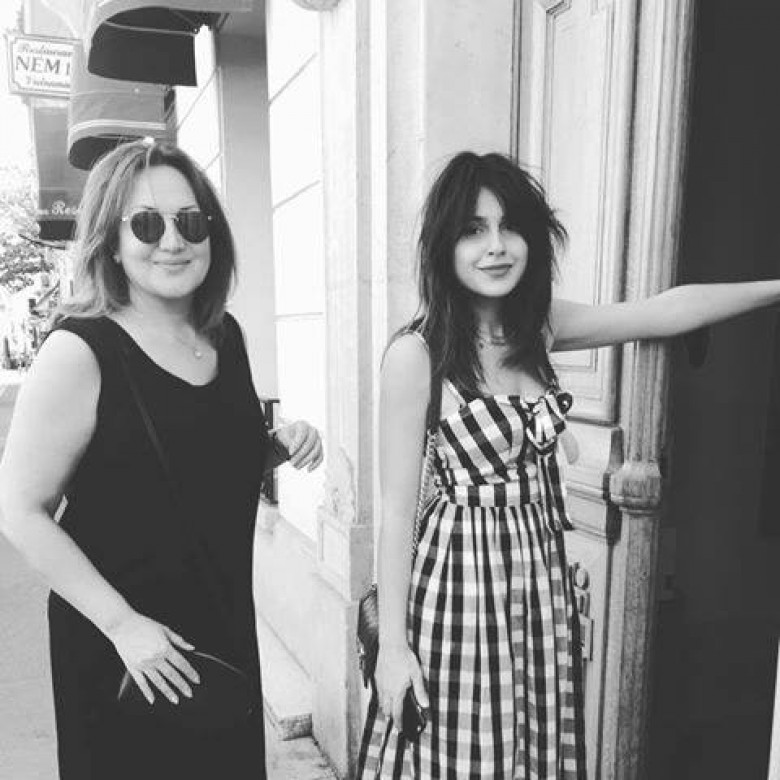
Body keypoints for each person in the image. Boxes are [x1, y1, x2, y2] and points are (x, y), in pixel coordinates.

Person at [357, 150, 780, 779]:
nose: (496, 246)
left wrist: (775, 289)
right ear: (444, 246)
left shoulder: (539, 329)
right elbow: (395, 512)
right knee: (462, 753)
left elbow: (663, 310)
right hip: (458, 588)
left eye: (510, 227)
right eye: (473, 230)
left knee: (531, 743)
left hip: (538, 584)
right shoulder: (418, 354)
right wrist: (392, 649)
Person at [0, 140, 323, 780]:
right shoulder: (80, 351)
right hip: (124, 650)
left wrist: (276, 446)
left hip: (220, 629)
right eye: (146, 224)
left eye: (191, 221)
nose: (173, 241)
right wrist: (123, 626)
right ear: (111, 241)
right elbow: (19, 509)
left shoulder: (224, 338)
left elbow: (192, 467)